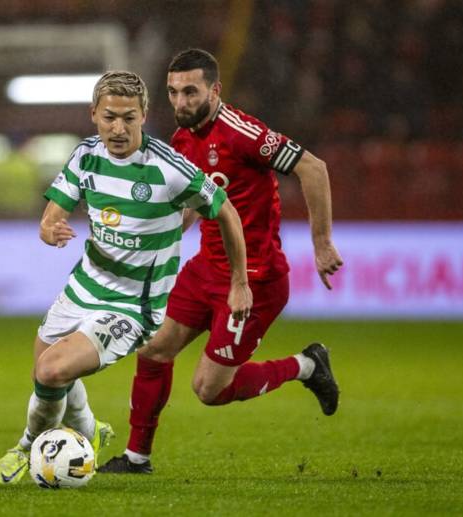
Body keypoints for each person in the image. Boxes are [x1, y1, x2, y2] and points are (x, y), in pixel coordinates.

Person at [0, 70, 252, 486]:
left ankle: (24, 449)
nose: (118, 128)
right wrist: (50, 229)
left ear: (144, 115)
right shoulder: (85, 156)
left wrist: (240, 282)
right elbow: (51, 217)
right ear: (94, 114)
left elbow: (226, 211)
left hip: (133, 304)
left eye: (129, 118)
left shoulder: (169, 169)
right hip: (83, 287)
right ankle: (90, 431)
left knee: (51, 371)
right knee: (45, 365)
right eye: (109, 117)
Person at [99, 49, 343, 474]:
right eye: (173, 92)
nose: (180, 102)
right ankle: (137, 458)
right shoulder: (182, 139)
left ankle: (306, 365)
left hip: (254, 280)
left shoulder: (243, 133)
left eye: (190, 92)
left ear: (215, 90)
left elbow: (314, 168)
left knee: (209, 390)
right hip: (206, 269)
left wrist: (321, 244)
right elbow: (194, 204)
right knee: (154, 348)